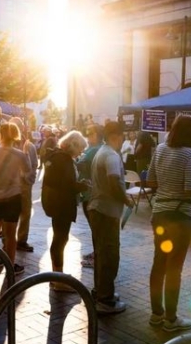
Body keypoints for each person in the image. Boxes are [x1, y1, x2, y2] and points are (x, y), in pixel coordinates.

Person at [145, 115, 191, 332]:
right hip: (180, 216)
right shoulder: (190, 154)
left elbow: (150, 181)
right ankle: (171, 319)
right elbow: (189, 190)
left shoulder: (160, 149)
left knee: (159, 264)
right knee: (174, 268)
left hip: (159, 214)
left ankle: (156, 314)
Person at [87, 122, 134, 314]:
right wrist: (127, 200)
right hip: (106, 212)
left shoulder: (102, 151)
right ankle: (105, 300)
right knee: (109, 256)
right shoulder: (112, 156)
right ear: (117, 136)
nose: (123, 139)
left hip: (99, 210)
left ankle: (101, 292)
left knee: (101, 254)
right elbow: (114, 181)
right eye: (122, 136)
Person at [0, 123, 32, 275]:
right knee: (10, 235)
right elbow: (28, 173)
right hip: (11, 196)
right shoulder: (20, 154)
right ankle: (10, 265)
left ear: (0, 134)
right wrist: (25, 153)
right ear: (16, 134)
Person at [41, 130, 89, 291]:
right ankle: (58, 278)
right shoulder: (64, 160)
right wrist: (82, 185)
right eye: (80, 149)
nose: (81, 153)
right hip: (61, 205)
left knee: (59, 238)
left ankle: (56, 275)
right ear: (73, 146)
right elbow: (67, 185)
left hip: (55, 203)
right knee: (60, 239)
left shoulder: (56, 156)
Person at [8, 117, 38, 253]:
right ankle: (8, 240)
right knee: (10, 213)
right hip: (11, 185)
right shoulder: (6, 145)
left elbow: (35, 163)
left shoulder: (28, 145)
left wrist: (29, 179)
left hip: (24, 185)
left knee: (25, 213)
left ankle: (21, 240)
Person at [77, 124, 104, 269]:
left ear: (96, 135)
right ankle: (96, 254)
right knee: (96, 228)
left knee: (96, 228)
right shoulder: (96, 149)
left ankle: (97, 257)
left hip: (90, 193)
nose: (87, 137)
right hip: (92, 192)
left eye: (90, 134)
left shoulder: (94, 150)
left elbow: (80, 164)